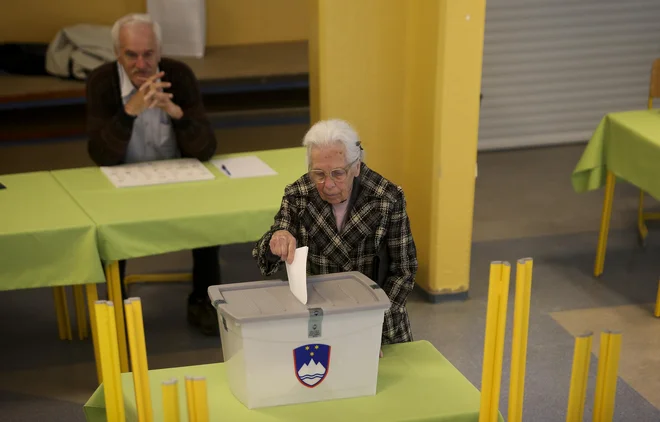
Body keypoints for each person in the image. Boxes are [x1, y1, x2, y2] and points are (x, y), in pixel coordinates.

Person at [85, 14, 220, 335]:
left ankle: (204, 298)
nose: (141, 64)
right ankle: (116, 303)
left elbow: (206, 150)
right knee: (108, 229)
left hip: (178, 176)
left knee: (209, 219)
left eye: (149, 54)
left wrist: (177, 114)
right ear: (118, 53)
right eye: (131, 55)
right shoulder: (101, 82)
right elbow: (101, 155)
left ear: (159, 52)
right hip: (121, 179)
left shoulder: (180, 76)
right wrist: (129, 111)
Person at [252, 119, 418, 346]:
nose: (327, 184)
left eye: (338, 173)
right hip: (319, 321)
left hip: (379, 322)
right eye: (318, 174)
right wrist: (276, 241)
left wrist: (372, 329)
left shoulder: (387, 198)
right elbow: (266, 253)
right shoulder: (298, 195)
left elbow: (404, 270)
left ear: (356, 166)